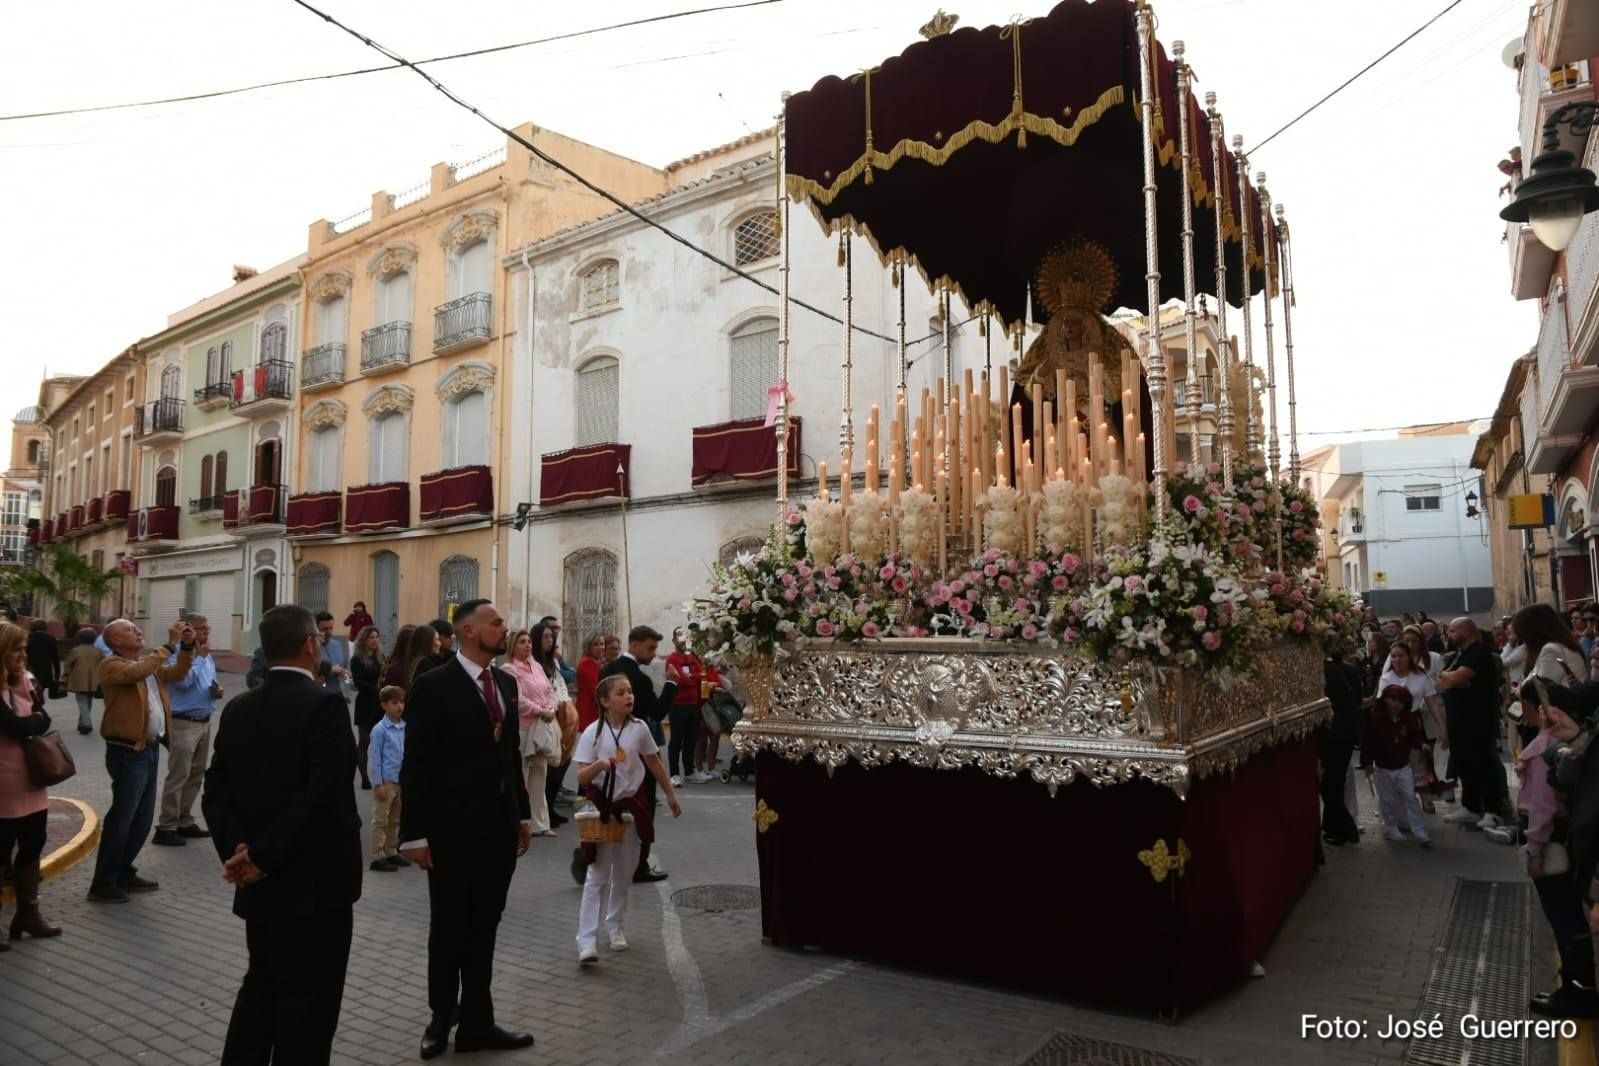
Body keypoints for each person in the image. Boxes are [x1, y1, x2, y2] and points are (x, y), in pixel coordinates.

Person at [201, 604, 363, 1065]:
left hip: (260, 885)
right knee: (311, 1005)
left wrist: (238, 853)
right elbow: (322, 797)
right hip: (315, 885)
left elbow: (216, 790)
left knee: (261, 986)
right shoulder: (326, 706)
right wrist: (262, 857)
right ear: (310, 645)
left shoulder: (238, 707)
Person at [399, 600, 534, 1059]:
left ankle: (478, 1022)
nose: (505, 628)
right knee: (449, 927)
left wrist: (521, 815)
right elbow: (415, 765)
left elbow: (510, 753)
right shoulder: (433, 685)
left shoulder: (505, 683)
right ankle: (441, 1017)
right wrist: (414, 835)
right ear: (470, 632)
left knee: (485, 927)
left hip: (496, 830)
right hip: (450, 833)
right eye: (496, 623)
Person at [574, 674, 682, 964]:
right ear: (605, 701)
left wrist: (670, 794)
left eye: (630, 692)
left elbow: (654, 762)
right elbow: (582, 776)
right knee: (597, 874)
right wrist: (599, 764)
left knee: (624, 873)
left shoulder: (639, 728)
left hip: (632, 807)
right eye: (621, 693)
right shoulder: (592, 732)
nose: (629, 697)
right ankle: (586, 942)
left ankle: (615, 926)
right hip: (603, 809)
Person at [89, 618, 194, 903]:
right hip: (126, 752)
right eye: (129, 630)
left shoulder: (149, 665)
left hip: (148, 750)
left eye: (137, 627)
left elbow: (179, 673)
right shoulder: (111, 665)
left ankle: (123, 870)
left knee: (142, 819)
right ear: (115, 642)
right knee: (122, 818)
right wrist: (169, 645)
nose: (137, 631)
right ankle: (103, 882)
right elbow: (138, 671)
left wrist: (186, 646)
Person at [0, 621, 61, 947]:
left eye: (24, 649)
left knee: (33, 844)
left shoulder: (22, 683)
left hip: (32, 782)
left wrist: (24, 687)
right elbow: (14, 725)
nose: (23, 655)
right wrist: (32, 721)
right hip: (3, 787)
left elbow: (41, 717)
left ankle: (28, 913)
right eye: (17, 649)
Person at [601, 626, 677, 884]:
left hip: (606, 745)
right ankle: (638, 866)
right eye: (650, 648)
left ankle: (606, 859)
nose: (654, 654)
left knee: (609, 803)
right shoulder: (638, 679)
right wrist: (671, 683)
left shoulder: (608, 669)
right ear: (634, 645)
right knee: (642, 809)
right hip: (635, 748)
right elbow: (657, 711)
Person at [152, 614, 223, 847]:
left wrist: (216, 690)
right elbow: (182, 682)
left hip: (203, 720)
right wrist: (200, 658)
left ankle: (184, 819)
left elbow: (204, 680)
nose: (206, 633)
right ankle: (167, 826)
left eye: (207, 628)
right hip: (183, 722)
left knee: (196, 773)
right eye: (202, 629)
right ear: (186, 631)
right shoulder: (174, 656)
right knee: (178, 775)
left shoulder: (205, 653)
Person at [1439, 617, 1509, 831]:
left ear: (1465, 632)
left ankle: (1492, 810)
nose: (1449, 635)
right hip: (1460, 720)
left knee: (1483, 764)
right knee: (1464, 763)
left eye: (1452, 631)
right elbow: (1444, 680)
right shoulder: (1462, 654)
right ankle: (1470, 806)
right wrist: (1451, 679)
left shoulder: (1479, 655)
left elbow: (1452, 679)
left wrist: (1451, 679)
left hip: (1477, 720)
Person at [504, 626, 564, 837]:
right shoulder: (509, 670)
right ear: (512, 646)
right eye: (522, 642)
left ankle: (541, 823)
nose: (527, 645)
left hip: (542, 726)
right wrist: (540, 710)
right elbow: (518, 700)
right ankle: (521, 822)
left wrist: (550, 708)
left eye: (529, 641)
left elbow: (550, 690)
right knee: (522, 776)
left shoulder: (536, 666)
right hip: (523, 728)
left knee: (540, 775)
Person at [1361, 684, 1432, 846]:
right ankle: (1390, 828)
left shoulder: (1408, 718)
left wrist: (1422, 745)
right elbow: (1368, 743)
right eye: (1392, 700)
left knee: (1410, 797)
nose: (1396, 705)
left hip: (1403, 766)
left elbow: (1414, 736)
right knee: (1387, 799)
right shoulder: (1375, 718)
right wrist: (1366, 763)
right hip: (1382, 767)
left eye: (1400, 702)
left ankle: (1420, 831)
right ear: (1385, 699)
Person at [1320, 655, 1364, 846]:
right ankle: (1333, 826)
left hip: (1332, 733)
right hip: (1347, 731)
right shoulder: (1349, 668)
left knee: (1330, 784)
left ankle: (1344, 828)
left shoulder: (1324, 671)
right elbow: (1358, 699)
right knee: (1335, 782)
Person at [367, 685, 410, 872]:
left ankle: (391, 850)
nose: (399, 706)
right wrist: (378, 784)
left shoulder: (404, 727)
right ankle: (377, 856)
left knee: (395, 819)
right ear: (384, 705)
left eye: (401, 702)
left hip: (399, 780)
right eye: (394, 703)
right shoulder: (379, 730)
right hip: (386, 781)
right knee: (381, 819)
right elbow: (375, 757)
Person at [664, 628, 707, 786]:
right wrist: (692, 678)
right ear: (674, 640)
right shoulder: (672, 659)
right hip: (677, 705)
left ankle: (689, 772)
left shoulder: (692, 658)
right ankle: (674, 774)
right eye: (680, 637)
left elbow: (701, 674)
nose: (683, 641)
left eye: (686, 637)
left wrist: (691, 677)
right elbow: (679, 679)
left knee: (691, 740)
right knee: (676, 740)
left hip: (693, 704)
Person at [1517, 603, 1591, 689]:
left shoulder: (1551, 649)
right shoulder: (1560, 645)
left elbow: (1539, 690)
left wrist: (1520, 691)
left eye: (1524, 637)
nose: (1524, 643)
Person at [351, 626, 385, 791]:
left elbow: (384, 675)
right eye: (371, 637)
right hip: (365, 702)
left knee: (381, 741)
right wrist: (376, 689)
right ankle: (364, 777)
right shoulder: (357, 659)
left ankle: (381, 775)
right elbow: (359, 682)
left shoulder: (381, 657)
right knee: (364, 741)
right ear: (364, 639)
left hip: (379, 703)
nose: (375, 640)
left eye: (376, 637)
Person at [62, 628, 101, 735]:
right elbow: (104, 663)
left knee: (82, 702)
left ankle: (86, 723)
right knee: (88, 702)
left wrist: (65, 675)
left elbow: (68, 664)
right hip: (94, 680)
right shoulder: (98, 650)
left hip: (79, 679)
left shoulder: (76, 650)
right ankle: (82, 724)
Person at [391, 624, 440, 692]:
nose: (439, 643)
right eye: (437, 639)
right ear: (427, 641)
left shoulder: (415, 661)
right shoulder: (424, 664)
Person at [576, 634, 605, 734]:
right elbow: (596, 689)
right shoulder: (588, 663)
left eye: (602, 644)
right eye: (596, 644)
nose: (600, 647)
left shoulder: (595, 662)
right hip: (590, 710)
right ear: (588, 647)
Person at [25, 619, 58, 696]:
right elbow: (55, 658)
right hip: (45, 670)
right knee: (40, 692)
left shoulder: (26, 638)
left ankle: (33, 706)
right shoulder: (50, 638)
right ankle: (37, 705)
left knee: (30, 692)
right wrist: (57, 673)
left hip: (30, 669)